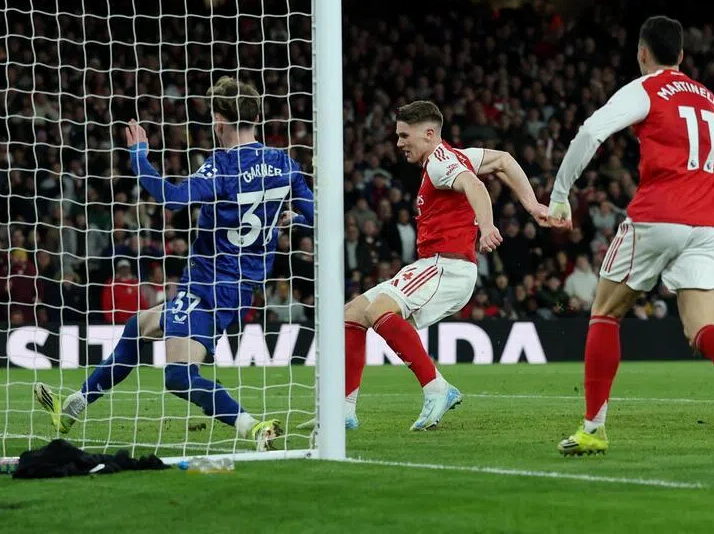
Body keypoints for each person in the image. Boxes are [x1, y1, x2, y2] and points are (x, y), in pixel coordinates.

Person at [33, 76, 313, 450]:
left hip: (207, 284)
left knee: (179, 377)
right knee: (138, 326)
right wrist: (291, 216)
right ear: (256, 116)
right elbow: (314, 212)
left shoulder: (222, 166)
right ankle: (73, 407)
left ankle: (254, 427)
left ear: (219, 122)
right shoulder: (284, 163)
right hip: (243, 288)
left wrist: (138, 158)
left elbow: (174, 198)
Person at [547, 15, 714, 454]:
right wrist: (708, 200)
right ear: (683, 55)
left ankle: (593, 429)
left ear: (643, 53)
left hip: (658, 216)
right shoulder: (712, 102)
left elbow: (592, 130)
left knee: (606, 313)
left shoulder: (648, 86)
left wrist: (559, 194)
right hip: (711, 225)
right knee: (702, 326)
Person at [339, 100, 551, 431]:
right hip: (437, 266)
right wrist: (533, 204)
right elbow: (503, 161)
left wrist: (487, 225)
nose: (399, 143)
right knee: (352, 314)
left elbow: (475, 185)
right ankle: (344, 410)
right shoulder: (457, 155)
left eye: (403, 135)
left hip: (446, 267)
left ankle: (437, 388)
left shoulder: (440, 163)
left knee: (379, 310)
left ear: (428, 133)